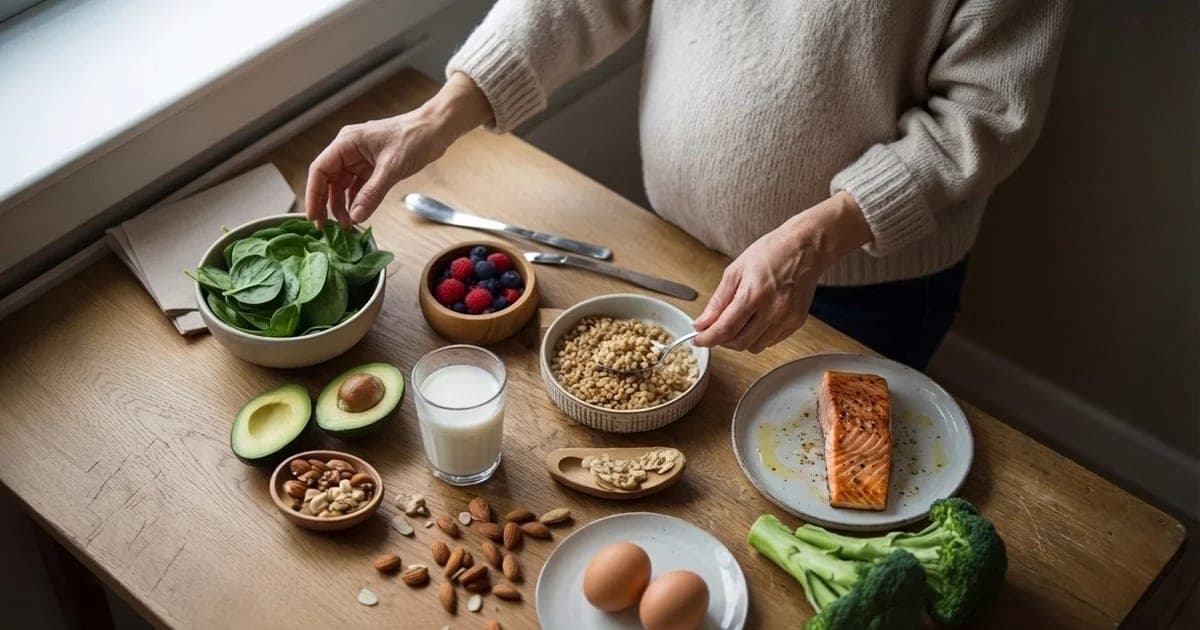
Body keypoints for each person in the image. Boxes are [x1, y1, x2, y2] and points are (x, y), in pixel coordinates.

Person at [305, 1, 1072, 369]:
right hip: (672, 241)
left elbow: (985, 113)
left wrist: (816, 238)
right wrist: (434, 119)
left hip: (858, 286)